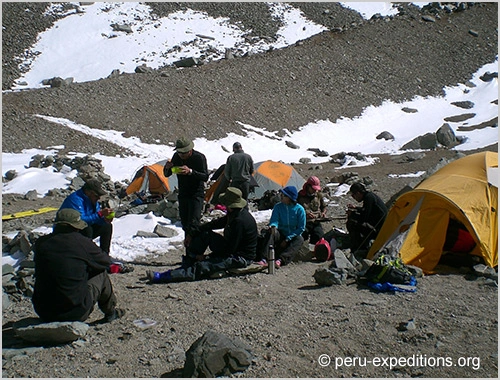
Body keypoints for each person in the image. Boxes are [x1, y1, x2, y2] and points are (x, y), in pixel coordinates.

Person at [147, 187, 258, 283]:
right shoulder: (234, 214)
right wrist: (193, 233)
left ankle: (166, 276)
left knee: (203, 266)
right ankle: (190, 260)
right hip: (231, 249)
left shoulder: (240, 221)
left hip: (240, 257)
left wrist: (208, 257)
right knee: (205, 234)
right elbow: (214, 224)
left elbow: (230, 250)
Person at [32, 209, 124, 323]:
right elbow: (104, 261)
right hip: (75, 312)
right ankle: (110, 312)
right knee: (101, 274)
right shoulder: (81, 243)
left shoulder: (41, 243)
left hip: (43, 311)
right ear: (76, 226)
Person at [163, 137, 209, 247]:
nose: (181, 155)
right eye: (179, 152)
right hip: (183, 193)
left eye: (184, 153)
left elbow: (205, 177)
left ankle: (196, 251)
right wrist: (167, 168)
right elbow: (166, 174)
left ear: (190, 150)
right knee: (185, 224)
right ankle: (189, 251)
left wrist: (191, 172)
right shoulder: (176, 157)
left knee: (194, 223)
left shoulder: (199, 158)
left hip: (196, 194)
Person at [59, 178, 114, 254]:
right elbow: (79, 221)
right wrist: (100, 214)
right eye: (96, 195)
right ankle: (86, 254)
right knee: (87, 229)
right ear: (88, 192)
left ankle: (105, 255)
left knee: (107, 226)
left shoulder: (93, 201)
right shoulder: (75, 199)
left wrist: (104, 220)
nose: (98, 198)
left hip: (83, 230)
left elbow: (95, 218)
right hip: (68, 231)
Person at [259, 185, 306, 267]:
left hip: (292, 235)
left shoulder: (299, 210)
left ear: (290, 198)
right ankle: (264, 258)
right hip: (280, 233)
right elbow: (274, 220)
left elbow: (301, 228)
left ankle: (281, 260)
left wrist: (288, 239)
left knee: (300, 239)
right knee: (271, 233)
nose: (281, 196)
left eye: (284, 195)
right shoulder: (278, 207)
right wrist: (273, 226)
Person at [346, 182, 388, 253]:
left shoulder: (369, 198)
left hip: (380, 229)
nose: (354, 198)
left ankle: (358, 247)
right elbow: (366, 210)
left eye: (353, 195)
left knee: (352, 223)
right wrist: (356, 208)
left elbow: (364, 218)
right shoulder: (369, 196)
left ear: (358, 193)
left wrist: (352, 214)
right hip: (380, 226)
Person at [297, 176, 327, 244]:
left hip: (316, 222)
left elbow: (324, 207)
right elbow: (295, 210)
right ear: (308, 186)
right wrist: (305, 214)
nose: (315, 190)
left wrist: (323, 213)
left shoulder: (318, 195)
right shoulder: (300, 196)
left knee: (319, 237)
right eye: (313, 188)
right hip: (304, 223)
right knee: (301, 237)